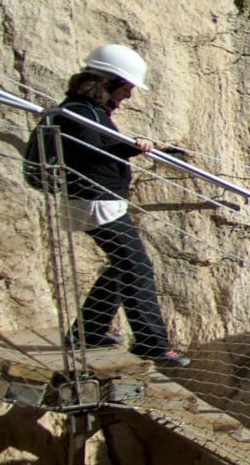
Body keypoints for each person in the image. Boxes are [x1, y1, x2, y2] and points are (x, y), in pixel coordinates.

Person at [43, 45, 186, 367]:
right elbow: (93, 152)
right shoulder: (80, 111)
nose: (129, 96)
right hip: (95, 203)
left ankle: (88, 332)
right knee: (136, 266)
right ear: (109, 82)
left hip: (97, 202)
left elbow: (96, 148)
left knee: (123, 264)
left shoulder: (87, 110)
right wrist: (133, 148)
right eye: (127, 88)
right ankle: (151, 342)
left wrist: (134, 147)